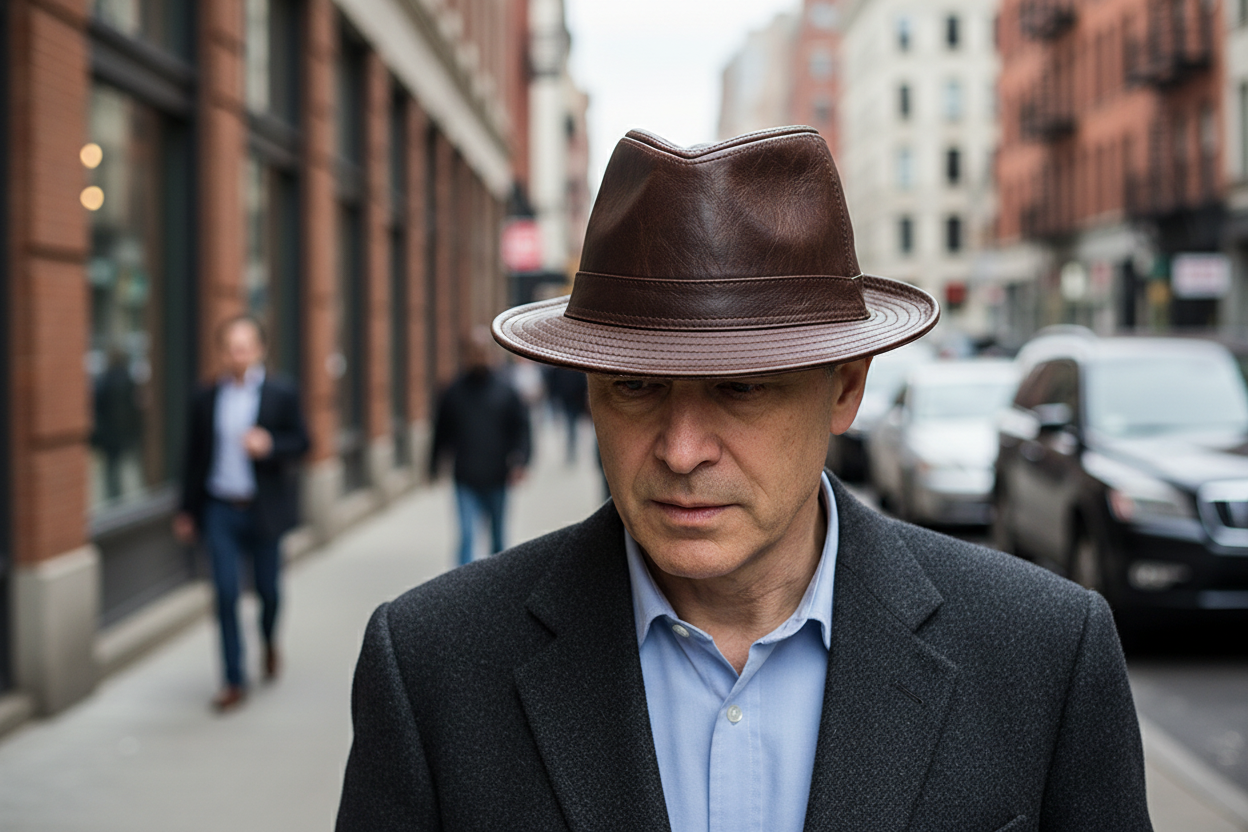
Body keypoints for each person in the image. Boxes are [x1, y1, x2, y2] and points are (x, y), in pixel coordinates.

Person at [337, 127, 1151, 830]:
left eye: (742, 388)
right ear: (588, 390)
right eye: (637, 386)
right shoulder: (434, 669)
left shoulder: (1045, 656)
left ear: (845, 387)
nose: (682, 450)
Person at [174, 315, 310, 713]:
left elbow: (302, 442)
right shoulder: (205, 397)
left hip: (263, 510)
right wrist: (186, 510)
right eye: (231, 346)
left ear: (260, 349)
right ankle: (233, 679)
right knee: (226, 594)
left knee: (268, 591)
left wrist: (269, 445)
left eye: (245, 346)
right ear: (222, 352)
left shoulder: (280, 393)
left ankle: (268, 641)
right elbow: (193, 458)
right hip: (220, 509)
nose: (238, 354)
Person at [429, 327, 532, 566]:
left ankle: (497, 587)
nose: (479, 357)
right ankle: (462, 588)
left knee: (498, 538)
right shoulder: (453, 392)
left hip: (497, 476)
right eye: (473, 352)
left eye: (483, 352)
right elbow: (440, 431)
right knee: (466, 535)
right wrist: (433, 466)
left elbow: (522, 430)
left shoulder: (507, 391)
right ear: (465, 355)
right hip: (465, 477)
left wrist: (521, 461)